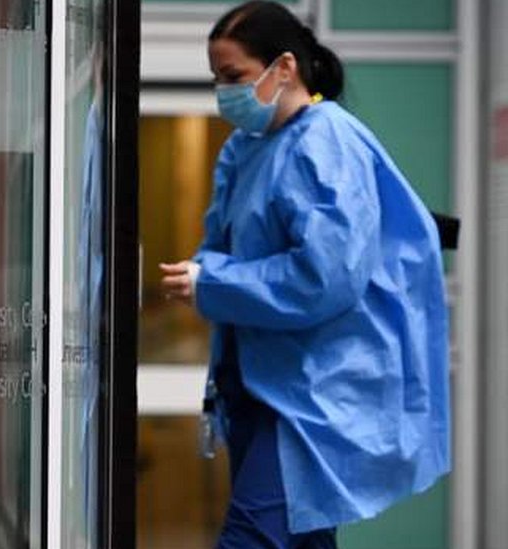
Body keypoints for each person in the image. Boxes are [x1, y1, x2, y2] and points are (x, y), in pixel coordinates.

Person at [159, 2, 450, 547]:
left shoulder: (326, 142)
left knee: (252, 537)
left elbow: (324, 278)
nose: (223, 92)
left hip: (308, 393)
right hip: (260, 381)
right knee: (302, 540)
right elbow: (221, 245)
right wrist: (206, 276)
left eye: (234, 77)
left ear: (284, 68)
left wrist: (213, 282)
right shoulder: (248, 149)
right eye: (217, 78)